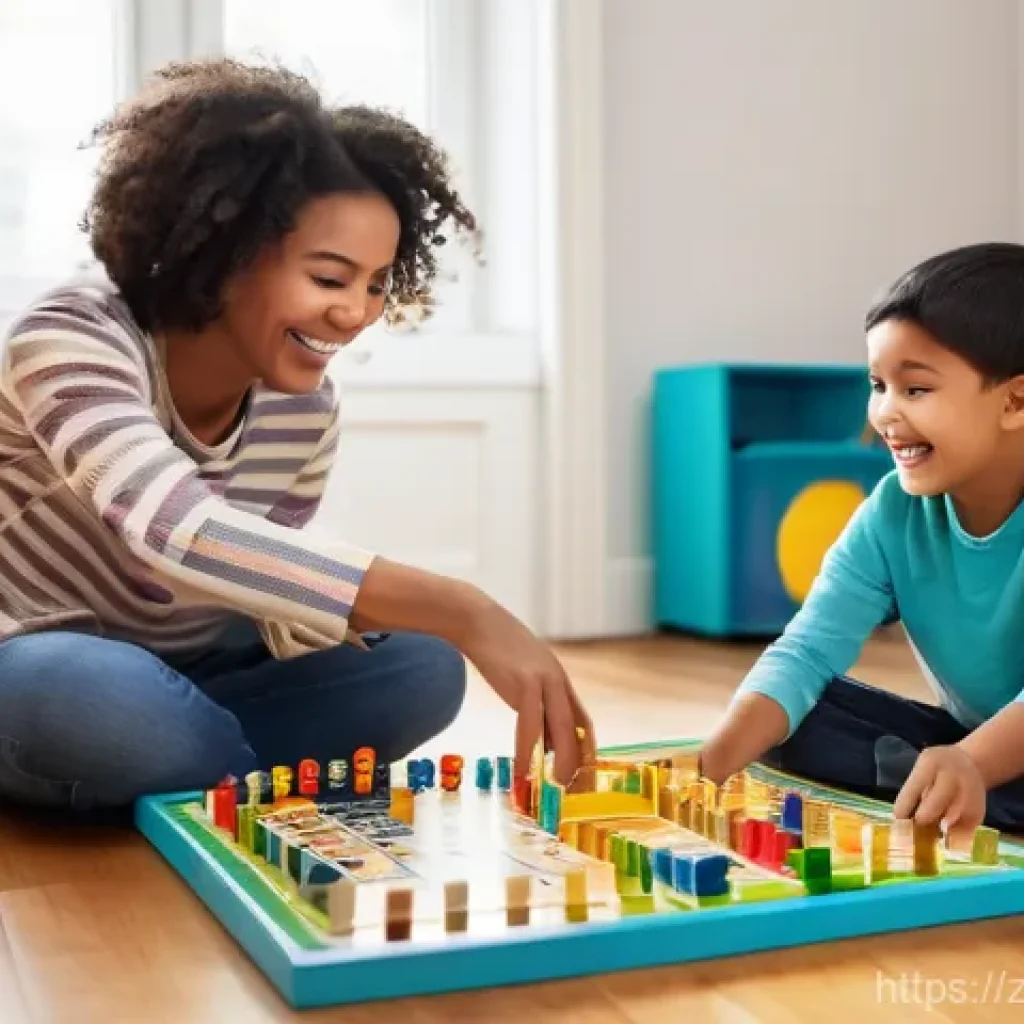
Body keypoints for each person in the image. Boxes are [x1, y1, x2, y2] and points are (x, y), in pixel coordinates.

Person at [0, 57, 593, 813]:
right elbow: (176, 531)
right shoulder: (73, 335)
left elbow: (264, 585)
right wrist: (468, 607)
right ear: (228, 256)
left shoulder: (303, 410)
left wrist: (360, 631)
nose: (356, 313)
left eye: (377, 283)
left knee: (425, 668)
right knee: (107, 707)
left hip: (195, 673)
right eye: (329, 277)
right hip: (37, 658)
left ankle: (189, 768)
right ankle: (183, 760)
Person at [698, 242, 1024, 847]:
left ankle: (959, 783)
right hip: (974, 745)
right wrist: (711, 763)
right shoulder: (890, 513)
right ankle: (955, 786)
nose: (885, 414)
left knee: (955, 763)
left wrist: (974, 760)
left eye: (916, 390)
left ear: (1015, 400)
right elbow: (808, 651)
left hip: (984, 752)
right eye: (878, 385)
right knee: (790, 720)